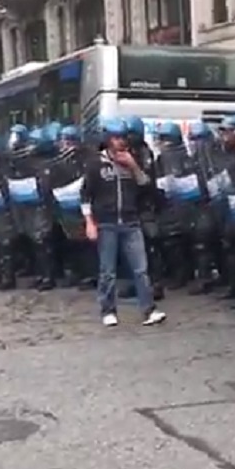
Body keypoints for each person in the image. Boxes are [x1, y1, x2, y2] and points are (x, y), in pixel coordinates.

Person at [79, 118, 167, 327]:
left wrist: (133, 166)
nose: (120, 142)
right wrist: (89, 222)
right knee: (108, 271)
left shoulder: (132, 159)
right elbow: (85, 195)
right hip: (106, 223)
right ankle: (108, 309)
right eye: (116, 138)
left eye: (123, 138)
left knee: (140, 269)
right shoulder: (96, 164)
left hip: (131, 221)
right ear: (108, 139)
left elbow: (146, 186)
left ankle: (149, 309)